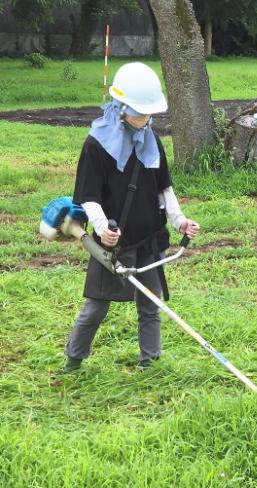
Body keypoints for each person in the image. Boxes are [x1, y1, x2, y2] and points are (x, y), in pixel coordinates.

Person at [63, 62, 200, 371]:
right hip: (114, 244)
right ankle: (73, 361)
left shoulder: (152, 141)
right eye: (140, 113)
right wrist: (102, 229)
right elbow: (88, 196)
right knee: (96, 307)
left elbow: (164, 188)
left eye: (149, 113)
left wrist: (180, 221)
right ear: (121, 107)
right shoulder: (96, 145)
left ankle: (149, 363)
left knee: (150, 305)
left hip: (149, 238)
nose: (146, 119)